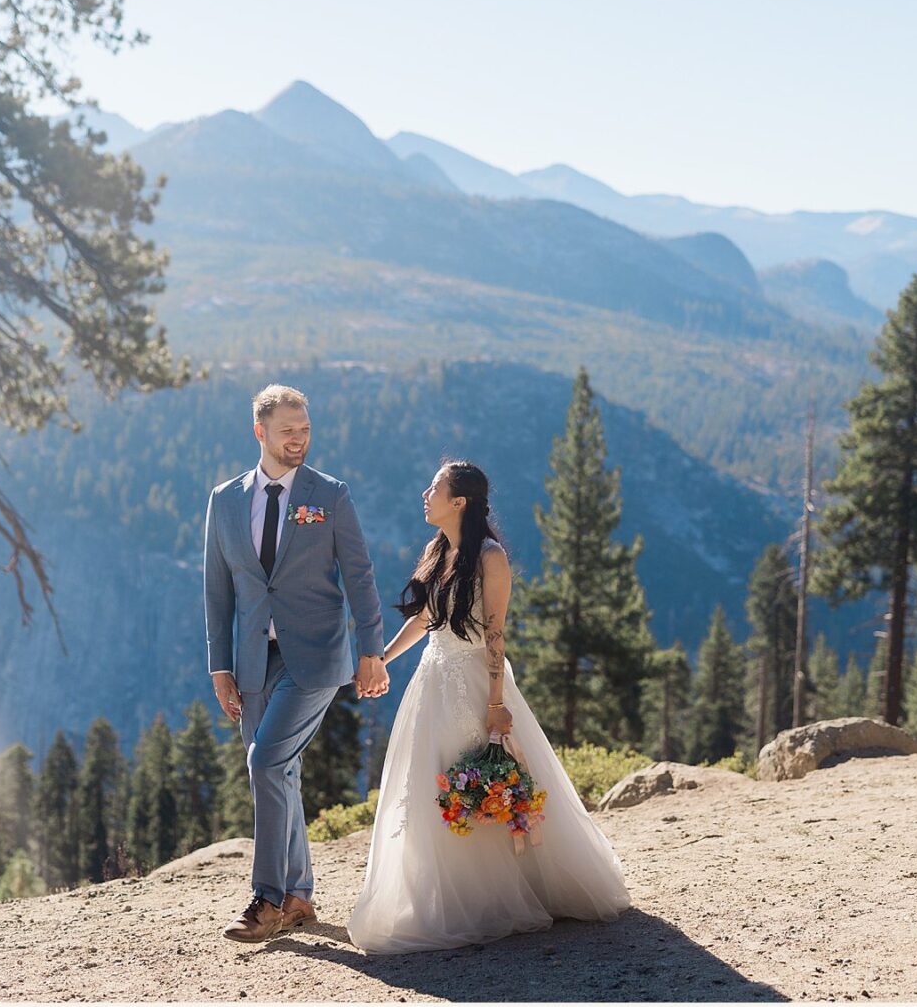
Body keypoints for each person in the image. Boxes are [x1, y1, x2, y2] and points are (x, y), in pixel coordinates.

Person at [347, 460, 630, 954]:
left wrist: (496, 704)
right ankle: (452, 897)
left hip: (477, 682)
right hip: (432, 682)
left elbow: (495, 634)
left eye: (434, 487)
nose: (425, 494)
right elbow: (427, 620)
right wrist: (381, 660)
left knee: (480, 774)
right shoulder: (441, 551)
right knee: (436, 782)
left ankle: (505, 895)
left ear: (459, 501)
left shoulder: (489, 556)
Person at [203, 383, 388, 943]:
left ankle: (265, 899)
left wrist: (371, 652)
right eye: (288, 431)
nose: (299, 440)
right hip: (253, 660)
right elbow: (217, 589)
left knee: (265, 764)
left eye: (305, 429)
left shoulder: (329, 495)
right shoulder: (225, 499)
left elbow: (359, 576)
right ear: (259, 432)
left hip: (315, 659)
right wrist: (220, 663)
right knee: (280, 773)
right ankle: (301, 895)